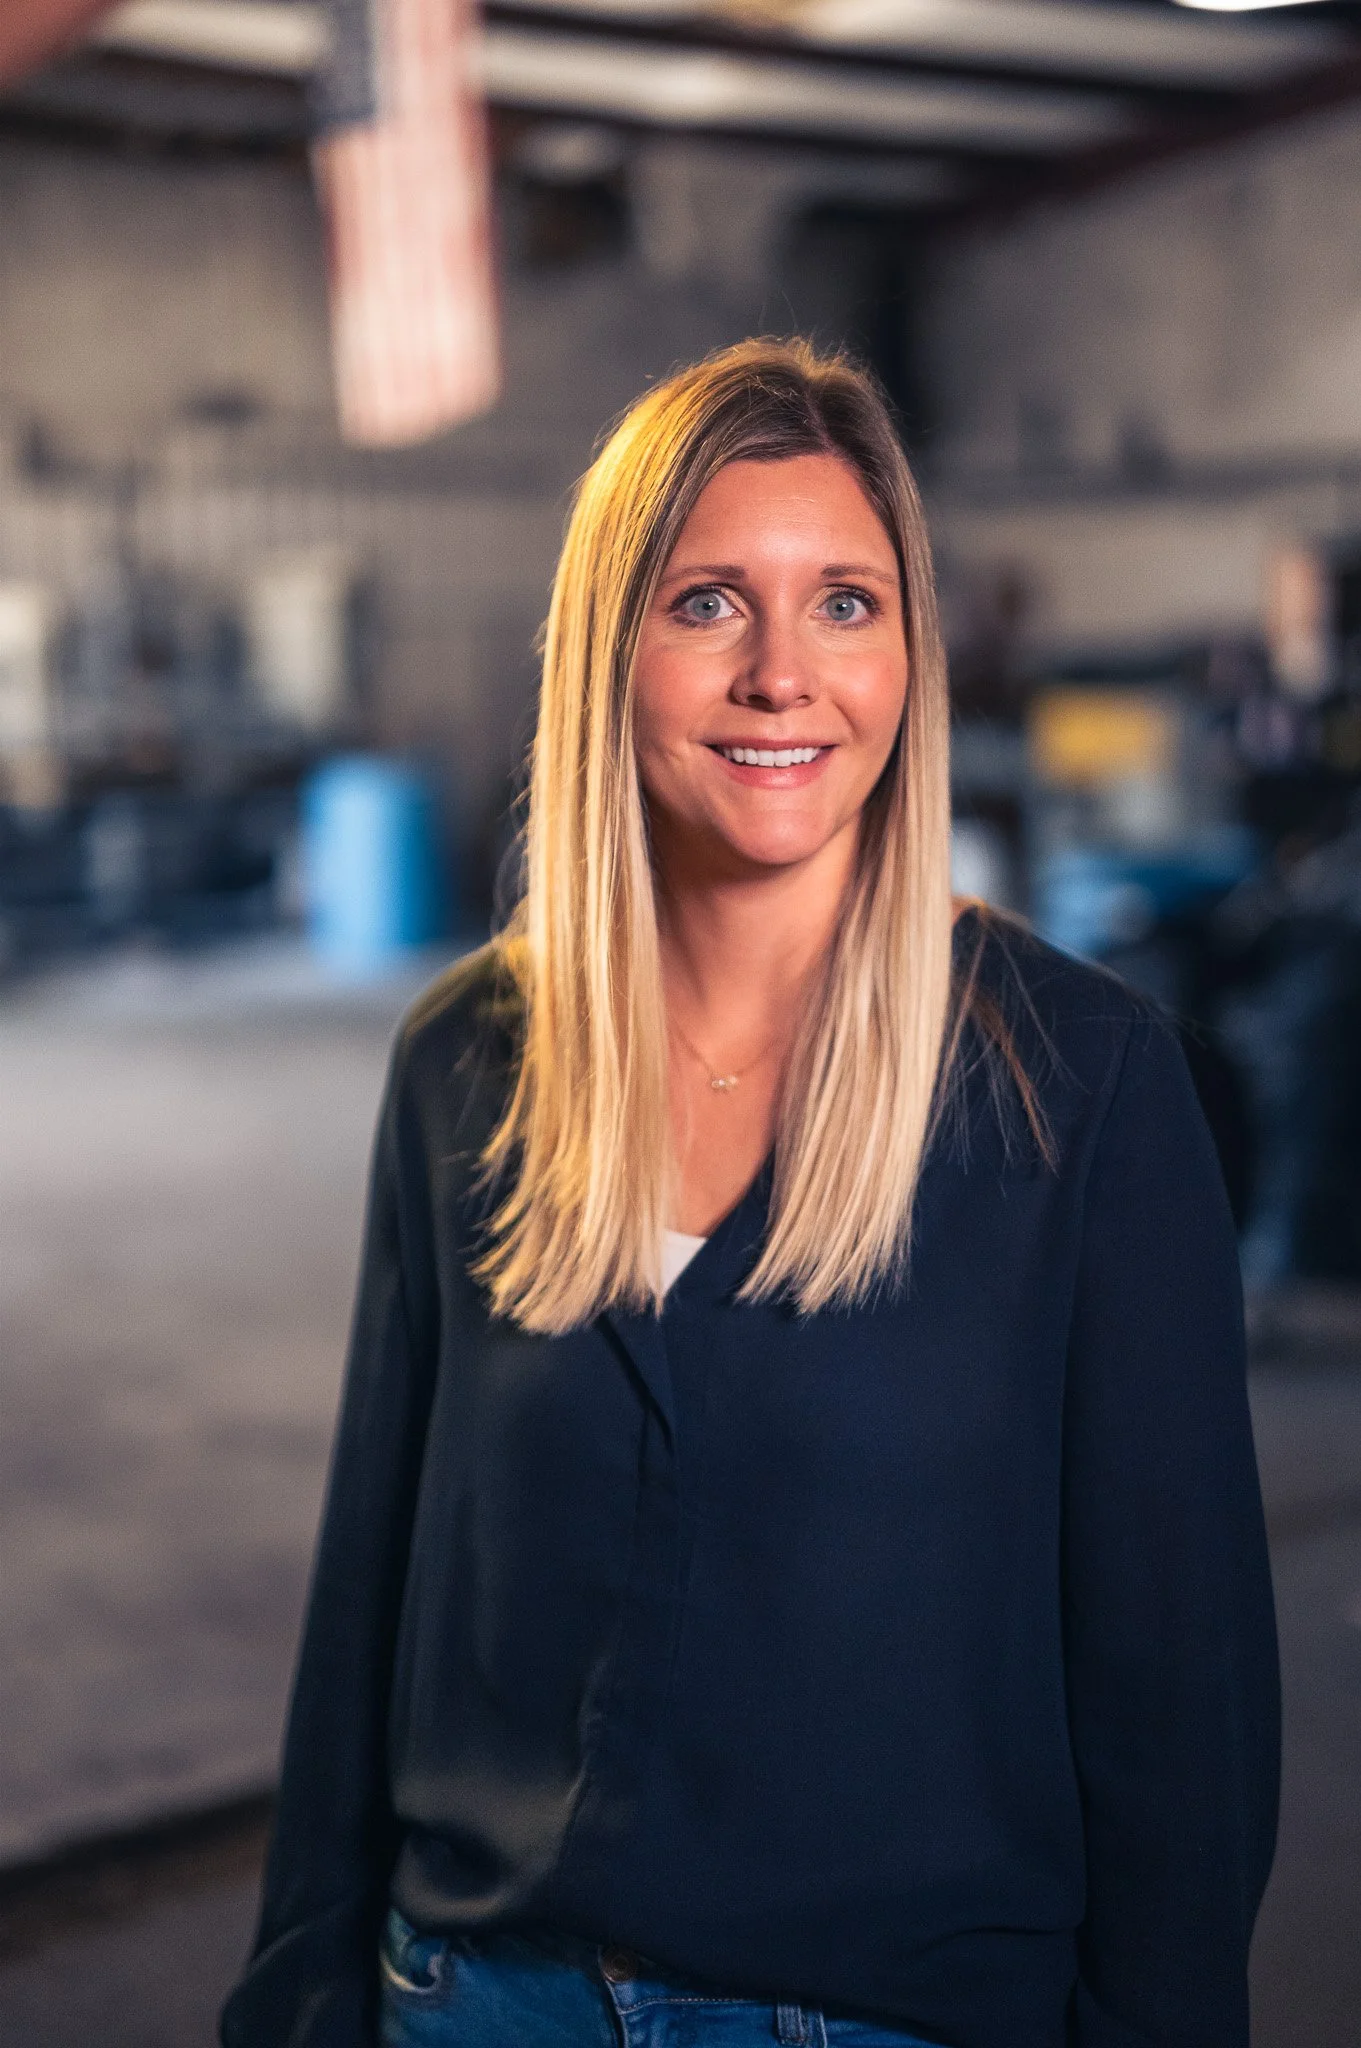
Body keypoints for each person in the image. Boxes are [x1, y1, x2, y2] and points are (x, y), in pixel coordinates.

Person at [220, 338, 1280, 2048]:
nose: (786, 674)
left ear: (913, 657)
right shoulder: (464, 1062)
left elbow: (1181, 1702)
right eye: (711, 603)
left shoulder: (1078, 1089)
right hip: (476, 2001)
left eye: (847, 604)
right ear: (606, 654)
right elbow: (375, 1598)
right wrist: (297, 1994)